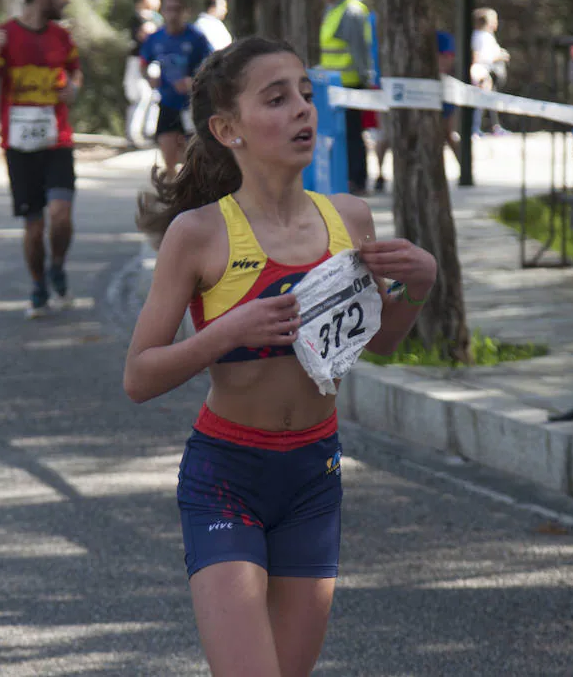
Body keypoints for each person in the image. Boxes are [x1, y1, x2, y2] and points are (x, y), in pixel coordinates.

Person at [123, 37, 436, 676]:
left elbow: (381, 340)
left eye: (305, 94)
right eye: (277, 98)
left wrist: (418, 288)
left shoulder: (349, 217)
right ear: (227, 129)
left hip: (314, 479)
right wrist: (223, 333)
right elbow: (138, 376)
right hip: (226, 477)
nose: (302, 109)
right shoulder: (200, 234)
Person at [0, 0, 83, 319]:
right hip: (20, 147)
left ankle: (58, 265)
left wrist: (73, 88)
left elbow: (75, 77)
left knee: (61, 214)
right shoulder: (4, 36)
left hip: (57, 143)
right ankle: (39, 284)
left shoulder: (62, 39)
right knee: (35, 228)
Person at [372, 29, 460, 192]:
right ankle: (380, 174)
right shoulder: (390, 35)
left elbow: (447, 60)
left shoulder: (440, 37)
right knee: (386, 135)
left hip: (431, 92)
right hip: (391, 90)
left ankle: (462, 170)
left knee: (446, 133)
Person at [140, 0, 213, 180]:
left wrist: (194, 81)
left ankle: (193, 191)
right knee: (168, 155)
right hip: (168, 103)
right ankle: (172, 193)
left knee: (194, 158)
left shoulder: (196, 38)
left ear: (185, 12)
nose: (173, 14)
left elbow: (212, 65)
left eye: (178, 9)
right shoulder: (155, 39)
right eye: (169, 9)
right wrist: (149, 78)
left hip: (192, 105)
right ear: (162, 11)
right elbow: (143, 63)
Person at [318, 0, 374, 196]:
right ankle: (348, 178)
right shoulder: (332, 10)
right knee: (341, 135)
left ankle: (357, 180)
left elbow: (359, 49)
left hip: (350, 83)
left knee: (353, 135)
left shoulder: (350, 11)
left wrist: (366, 78)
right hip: (334, 84)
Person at [124, 0, 162, 148]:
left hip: (154, 62)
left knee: (154, 97)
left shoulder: (158, 18)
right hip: (138, 60)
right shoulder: (137, 17)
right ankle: (133, 134)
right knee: (140, 96)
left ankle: (150, 131)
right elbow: (140, 36)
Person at [471, 7, 510, 136]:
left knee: (491, 100)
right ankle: (474, 128)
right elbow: (478, 56)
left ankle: (495, 127)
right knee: (479, 101)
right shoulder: (480, 36)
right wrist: (498, 57)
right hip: (481, 72)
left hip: (488, 73)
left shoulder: (487, 36)